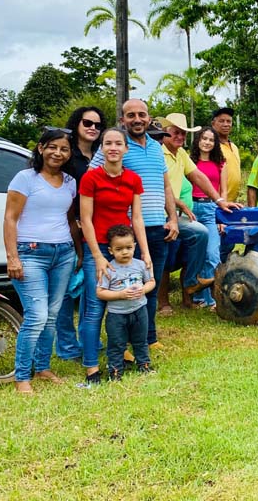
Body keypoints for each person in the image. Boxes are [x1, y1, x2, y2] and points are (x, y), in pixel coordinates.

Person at [90, 99, 176, 351]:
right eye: (131, 115)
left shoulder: (155, 147)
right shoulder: (116, 146)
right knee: (127, 286)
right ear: (122, 120)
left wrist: (172, 218)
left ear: (148, 117)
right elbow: (94, 179)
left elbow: (166, 186)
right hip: (128, 233)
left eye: (141, 114)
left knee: (151, 283)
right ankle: (124, 342)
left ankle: (149, 337)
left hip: (157, 227)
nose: (137, 119)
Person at [3, 129, 77, 394]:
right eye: (53, 147)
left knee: (52, 315)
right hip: (30, 252)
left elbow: (68, 219)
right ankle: (22, 376)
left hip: (64, 253)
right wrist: (13, 257)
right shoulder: (25, 178)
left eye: (64, 149)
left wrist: (76, 252)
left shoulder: (70, 181)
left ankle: (43, 367)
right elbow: (10, 218)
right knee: (36, 316)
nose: (58, 153)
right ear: (41, 148)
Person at [79, 127, 149, 386]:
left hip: (125, 248)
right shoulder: (91, 178)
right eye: (107, 143)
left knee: (129, 303)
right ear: (102, 148)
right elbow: (85, 219)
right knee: (95, 309)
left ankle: (124, 354)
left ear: (125, 148)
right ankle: (91, 368)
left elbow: (137, 218)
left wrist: (145, 252)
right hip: (97, 248)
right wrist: (97, 256)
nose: (113, 148)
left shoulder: (132, 179)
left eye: (118, 143)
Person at [157, 113, 240, 304]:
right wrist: (178, 202)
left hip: (179, 214)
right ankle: (163, 303)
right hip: (157, 214)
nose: (179, 137)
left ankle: (192, 283)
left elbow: (198, 177)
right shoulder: (157, 152)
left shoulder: (181, 154)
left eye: (183, 134)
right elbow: (154, 186)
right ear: (165, 133)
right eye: (175, 133)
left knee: (201, 236)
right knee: (166, 259)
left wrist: (220, 200)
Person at [55, 106, 105, 362]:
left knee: (90, 288)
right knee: (63, 292)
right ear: (76, 124)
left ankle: (90, 339)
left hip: (95, 229)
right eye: (87, 122)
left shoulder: (101, 154)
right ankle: (66, 346)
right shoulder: (65, 155)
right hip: (66, 228)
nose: (92, 128)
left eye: (97, 124)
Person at [96, 224, 155, 380]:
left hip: (140, 310)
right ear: (111, 250)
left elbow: (151, 281)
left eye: (128, 247)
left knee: (141, 340)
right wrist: (120, 294)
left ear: (134, 246)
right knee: (116, 344)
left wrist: (143, 289)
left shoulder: (141, 265)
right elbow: (100, 292)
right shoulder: (109, 269)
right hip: (117, 315)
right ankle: (115, 371)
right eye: (119, 249)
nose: (125, 252)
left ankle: (144, 365)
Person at [189, 126, 228, 307]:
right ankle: (198, 297)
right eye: (204, 138)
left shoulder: (220, 162)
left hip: (211, 208)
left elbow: (223, 191)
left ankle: (213, 297)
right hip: (191, 208)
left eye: (211, 140)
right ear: (198, 140)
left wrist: (222, 218)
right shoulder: (189, 161)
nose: (207, 142)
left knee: (213, 253)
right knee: (198, 254)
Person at [210, 107, 241, 203]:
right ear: (213, 124)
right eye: (221, 121)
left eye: (229, 121)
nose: (226, 124)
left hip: (231, 202)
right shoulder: (211, 146)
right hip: (216, 202)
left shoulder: (234, 147)